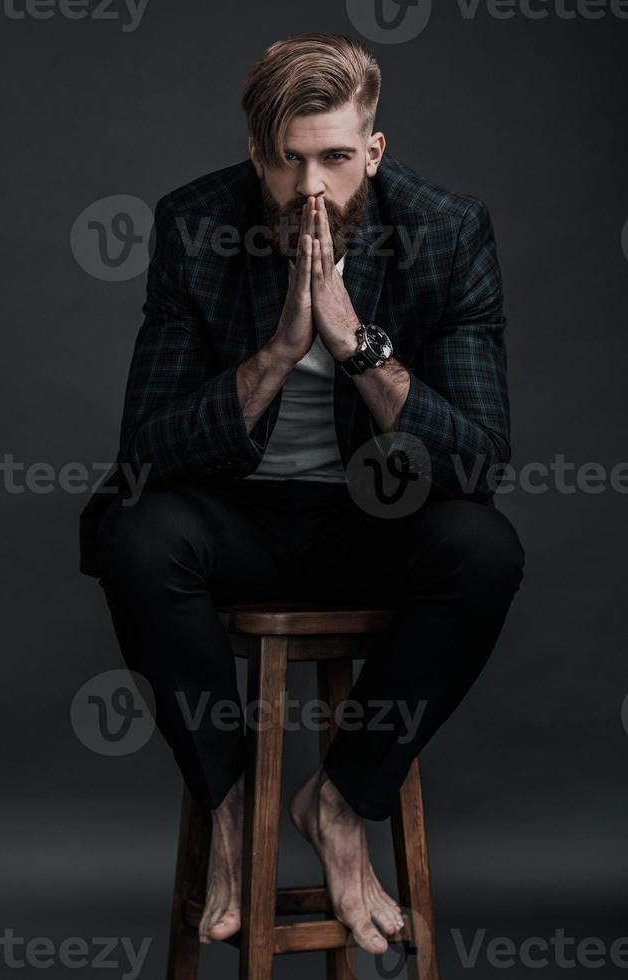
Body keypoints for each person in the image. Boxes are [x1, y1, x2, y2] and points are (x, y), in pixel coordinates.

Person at [79, 32, 525, 956]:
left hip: (374, 523)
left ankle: (340, 800)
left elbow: (479, 461)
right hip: (234, 522)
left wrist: (354, 340)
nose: (313, 188)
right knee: (132, 531)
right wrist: (280, 352)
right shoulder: (196, 224)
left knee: (485, 548)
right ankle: (232, 806)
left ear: (374, 149)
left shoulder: (447, 231)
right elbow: (146, 446)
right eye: (290, 160)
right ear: (257, 155)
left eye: (334, 157)